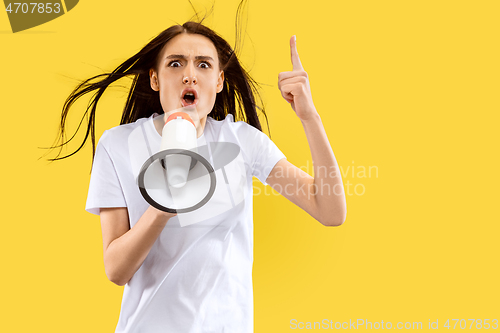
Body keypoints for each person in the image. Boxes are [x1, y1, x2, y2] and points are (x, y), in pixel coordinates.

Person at [51, 21, 346, 333]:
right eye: (175, 63)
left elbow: (330, 211)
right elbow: (116, 269)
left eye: (203, 64)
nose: (189, 74)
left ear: (218, 81)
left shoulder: (241, 142)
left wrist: (309, 117)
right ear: (155, 78)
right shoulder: (118, 145)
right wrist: (164, 206)